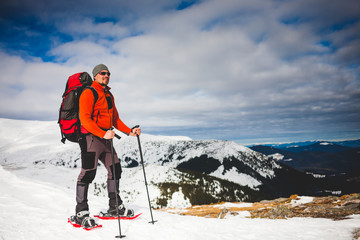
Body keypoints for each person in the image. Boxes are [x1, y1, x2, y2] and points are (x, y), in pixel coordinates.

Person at [73, 64, 141, 228]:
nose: (106, 75)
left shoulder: (109, 95)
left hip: (106, 139)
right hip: (90, 138)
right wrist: (102, 133)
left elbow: (115, 120)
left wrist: (129, 131)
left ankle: (114, 207)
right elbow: (85, 119)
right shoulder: (88, 93)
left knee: (116, 169)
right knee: (88, 173)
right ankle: (80, 213)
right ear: (95, 75)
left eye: (108, 73)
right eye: (102, 73)